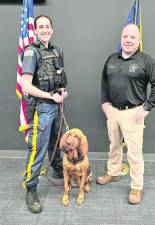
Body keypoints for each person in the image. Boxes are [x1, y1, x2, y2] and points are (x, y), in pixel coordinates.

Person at [96, 23, 155, 204]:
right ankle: (113, 173)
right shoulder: (112, 59)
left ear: (139, 40)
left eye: (132, 37)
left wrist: (147, 107)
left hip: (133, 113)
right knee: (114, 146)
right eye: (125, 36)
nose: (128, 40)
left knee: (134, 153)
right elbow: (104, 81)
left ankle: (137, 186)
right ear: (121, 38)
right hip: (113, 112)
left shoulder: (146, 61)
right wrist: (105, 102)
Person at [21, 15, 68, 213]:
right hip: (42, 108)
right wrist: (50, 95)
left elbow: (61, 76)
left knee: (56, 143)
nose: (45, 30)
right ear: (35, 30)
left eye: (48, 26)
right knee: (37, 150)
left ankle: (58, 169)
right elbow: (26, 86)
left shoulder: (56, 50)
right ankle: (30, 188)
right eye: (41, 27)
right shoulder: (32, 52)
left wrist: (63, 91)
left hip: (57, 105)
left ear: (52, 29)